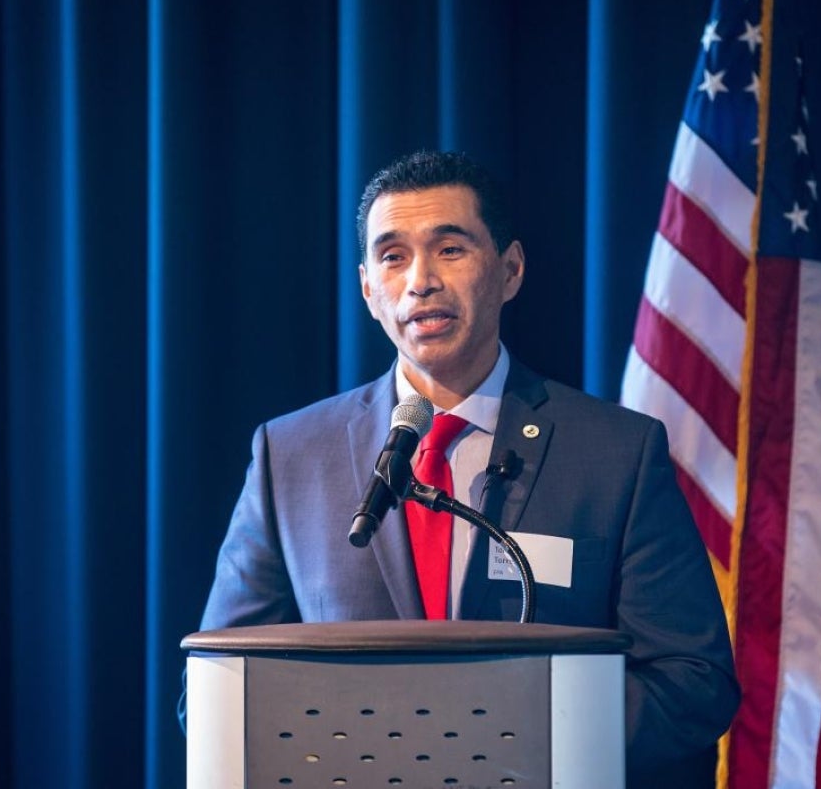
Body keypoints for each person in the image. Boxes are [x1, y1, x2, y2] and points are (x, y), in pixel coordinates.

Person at [198, 150, 739, 783]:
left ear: (510, 271)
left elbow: (691, 681)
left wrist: (502, 745)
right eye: (393, 256)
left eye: (450, 249)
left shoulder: (617, 453)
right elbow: (218, 687)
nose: (420, 280)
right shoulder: (289, 456)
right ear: (369, 288)